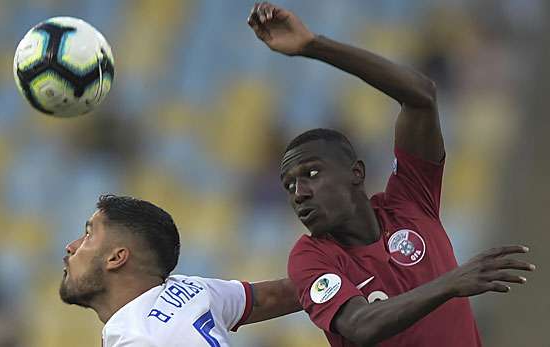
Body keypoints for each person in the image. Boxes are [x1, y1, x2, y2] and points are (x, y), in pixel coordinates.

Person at [248, 2, 536, 347]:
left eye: (311, 173)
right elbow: (358, 325)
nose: (299, 191)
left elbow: (420, 97)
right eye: (290, 184)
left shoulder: (411, 201)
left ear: (356, 173)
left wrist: (314, 46)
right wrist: (449, 283)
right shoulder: (311, 256)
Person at [59, 194, 300, 347]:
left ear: (116, 258)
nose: (72, 247)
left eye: (89, 234)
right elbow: (272, 297)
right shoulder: (191, 291)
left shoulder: (140, 339)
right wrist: (331, 278)